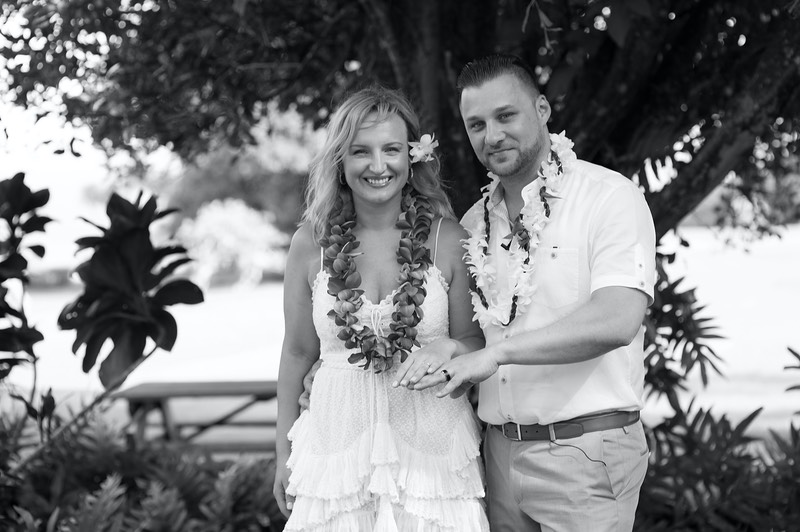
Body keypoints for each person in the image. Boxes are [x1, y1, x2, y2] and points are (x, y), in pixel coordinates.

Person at [413, 54, 656, 531]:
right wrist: (452, 349)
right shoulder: (474, 224)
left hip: (585, 451)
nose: (492, 135)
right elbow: (479, 341)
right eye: (477, 124)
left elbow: (618, 319)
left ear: (542, 109)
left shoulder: (608, 197)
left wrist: (497, 355)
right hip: (498, 454)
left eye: (506, 115)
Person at [274, 85, 489, 531]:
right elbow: (296, 353)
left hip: (432, 465)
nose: (377, 166)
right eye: (360, 151)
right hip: (335, 460)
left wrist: (448, 347)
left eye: (391, 149)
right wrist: (282, 454)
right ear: (340, 161)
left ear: (412, 157)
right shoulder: (310, 244)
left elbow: (474, 342)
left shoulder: (447, 239)